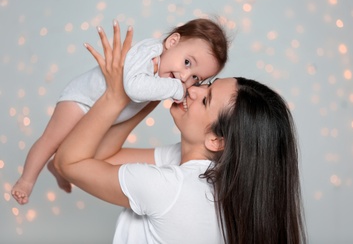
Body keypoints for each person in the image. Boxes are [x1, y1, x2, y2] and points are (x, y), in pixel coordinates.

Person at [53, 23, 306, 243]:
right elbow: (102, 157)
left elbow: (68, 162)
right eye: (205, 84)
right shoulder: (209, 178)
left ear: (217, 140)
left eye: (206, 100)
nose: (192, 89)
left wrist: (115, 95)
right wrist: (144, 99)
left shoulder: (169, 188)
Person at [11, 18, 229, 205]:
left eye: (196, 78)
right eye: (187, 62)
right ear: (172, 42)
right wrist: (175, 89)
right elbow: (133, 88)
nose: (184, 77)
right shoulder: (150, 52)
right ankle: (27, 180)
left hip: (106, 114)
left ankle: (57, 168)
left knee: (80, 150)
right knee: (52, 140)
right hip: (82, 100)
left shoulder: (163, 77)